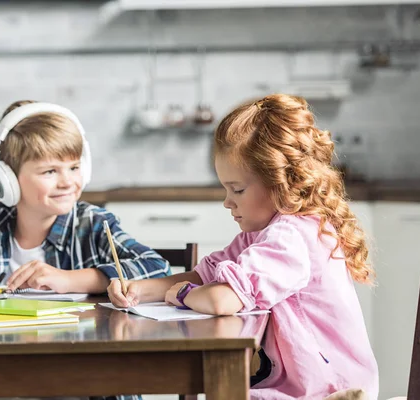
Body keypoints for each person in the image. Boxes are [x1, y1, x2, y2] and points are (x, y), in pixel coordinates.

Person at [108, 94, 379, 399]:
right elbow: (207, 275)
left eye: (237, 189)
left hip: (329, 390)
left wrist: (182, 294)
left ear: (280, 182)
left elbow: (222, 300)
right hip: (310, 383)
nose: (227, 201)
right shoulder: (267, 231)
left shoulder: (291, 237)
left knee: (222, 391)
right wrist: (141, 289)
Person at [0, 100, 170, 300]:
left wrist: (70, 280)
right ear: (6, 180)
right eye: (50, 171)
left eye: (73, 167)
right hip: (1, 365)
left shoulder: (92, 224)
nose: (68, 181)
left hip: (81, 366)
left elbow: (158, 268)